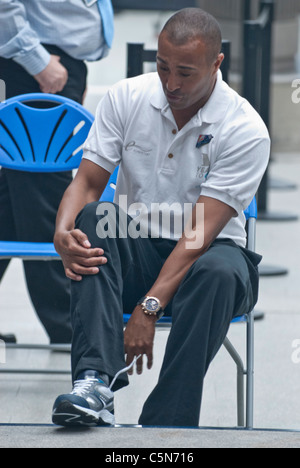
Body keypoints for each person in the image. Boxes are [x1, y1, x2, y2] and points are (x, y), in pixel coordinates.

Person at [51, 8, 270, 427]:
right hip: (139, 247)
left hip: (210, 255)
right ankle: (95, 383)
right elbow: (89, 181)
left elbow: (199, 235)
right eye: (163, 66)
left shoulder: (244, 128)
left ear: (216, 63)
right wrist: (62, 231)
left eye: (186, 73)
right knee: (94, 218)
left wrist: (148, 308)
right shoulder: (127, 96)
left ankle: (168, 419)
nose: (171, 83)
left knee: (219, 273)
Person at [0, 0, 114, 344]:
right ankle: (69, 324)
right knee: (44, 197)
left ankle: (68, 323)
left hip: (52, 64)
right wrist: (39, 63)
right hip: (36, 66)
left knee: (12, 196)